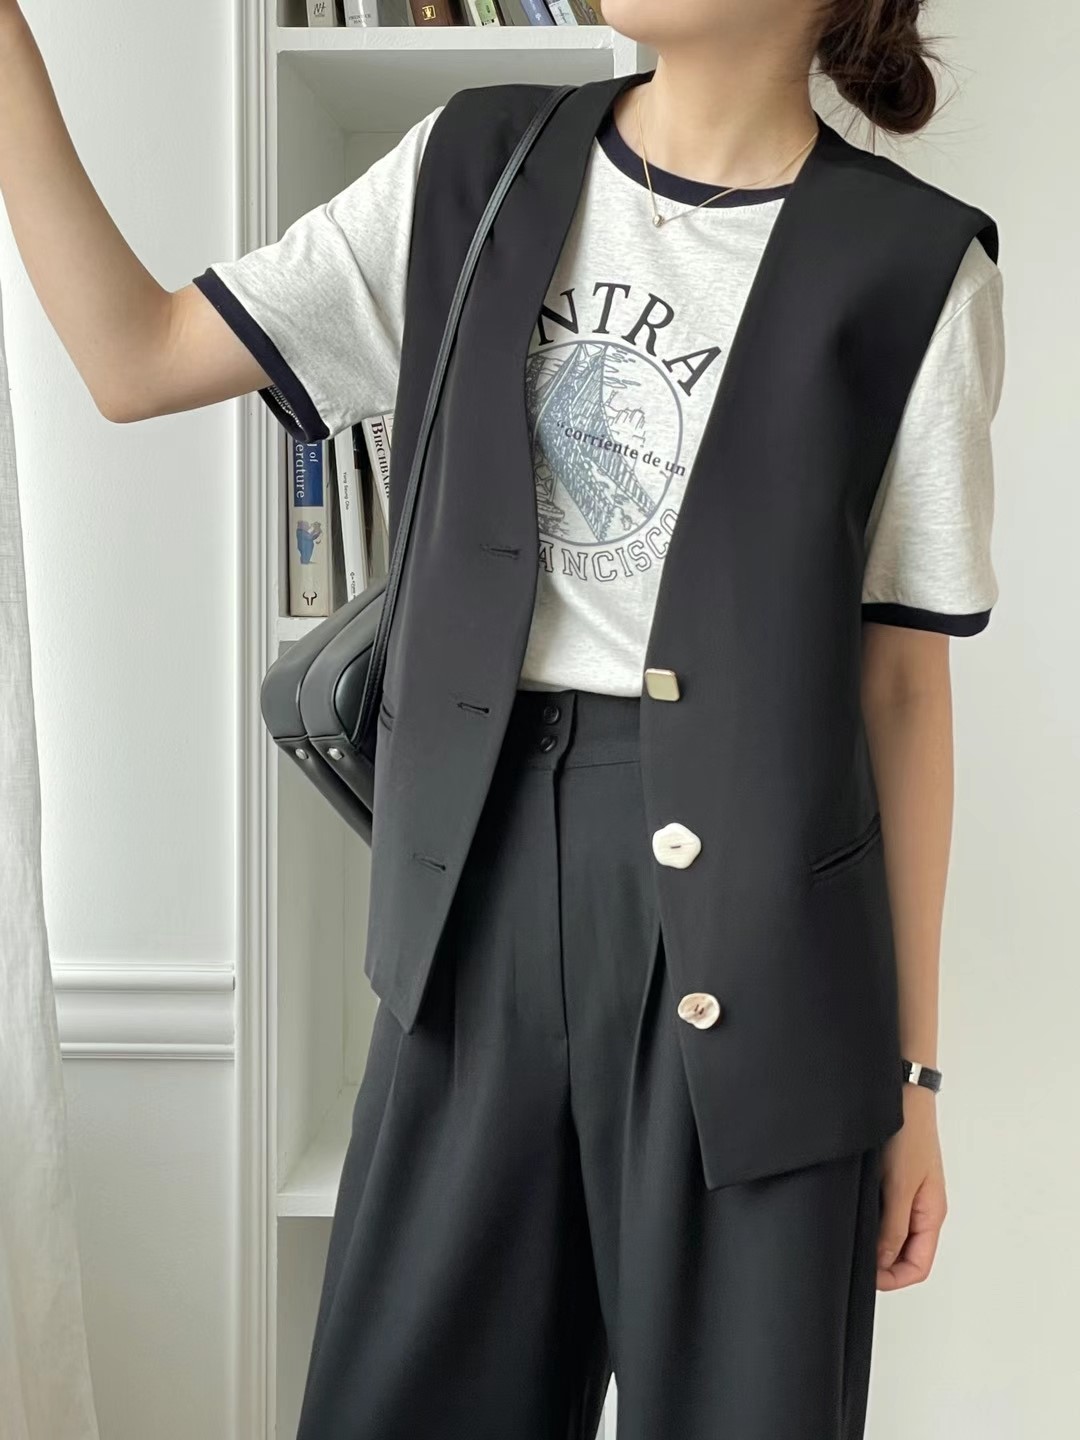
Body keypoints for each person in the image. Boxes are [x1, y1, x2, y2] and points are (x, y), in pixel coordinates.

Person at [0, 1, 1004, 1436]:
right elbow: (135, 357)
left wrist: (913, 1077)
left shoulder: (916, 267)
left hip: (774, 956)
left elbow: (900, 688)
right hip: (475, 901)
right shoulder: (472, 166)